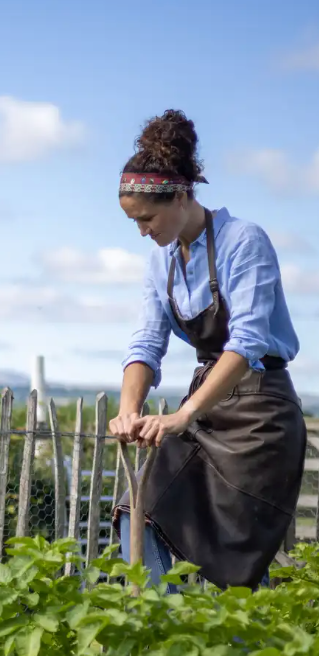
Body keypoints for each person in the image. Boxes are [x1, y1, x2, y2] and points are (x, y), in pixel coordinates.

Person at [110, 109, 305, 590]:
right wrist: (128, 409)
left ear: (179, 197)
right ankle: (161, 638)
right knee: (138, 516)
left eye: (147, 219)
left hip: (261, 416)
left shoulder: (244, 241)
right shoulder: (161, 264)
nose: (143, 232)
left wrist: (183, 414)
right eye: (133, 222)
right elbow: (145, 343)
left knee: (235, 569)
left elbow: (248, 342)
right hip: (206, 413)